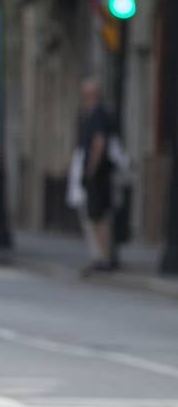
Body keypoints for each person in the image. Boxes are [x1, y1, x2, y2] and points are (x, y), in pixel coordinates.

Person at [71, 78, 121, 276]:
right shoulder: (93, 114)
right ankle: (100, 256)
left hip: (98, 176)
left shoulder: (97, 115)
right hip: (98, 174)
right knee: (96, 216)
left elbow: (99, 143)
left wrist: (90, 170)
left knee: (97, 216)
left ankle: (102, 257)